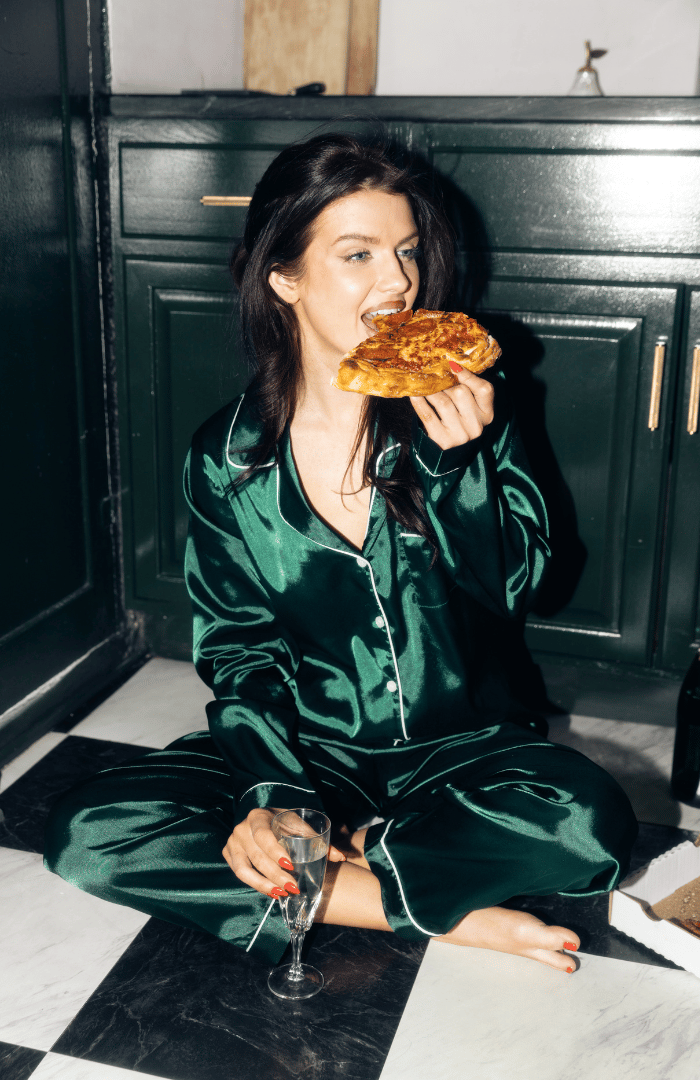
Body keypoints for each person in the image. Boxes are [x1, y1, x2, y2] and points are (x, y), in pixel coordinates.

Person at [44, 134, 637, 974]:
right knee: (89, 832)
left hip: (463, 743)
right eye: (358, 255)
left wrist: (457, 466)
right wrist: (274, 797)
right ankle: (437, 911)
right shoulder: (225, 458)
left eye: (407, 252)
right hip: (309, 746)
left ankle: (337, 870)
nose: (398, 282)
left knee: (589, 821)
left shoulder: (469, 405)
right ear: (284, 278)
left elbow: (520, 587)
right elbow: (240, 651)